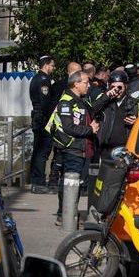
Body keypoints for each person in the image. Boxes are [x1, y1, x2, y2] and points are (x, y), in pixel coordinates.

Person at [46, 71, 100, 226]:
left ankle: (67, 213)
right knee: (70, 182)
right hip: (71, 148)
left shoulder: (80, 100)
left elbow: (94, 109)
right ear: (76, 84)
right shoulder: (66, 101)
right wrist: (90, 130)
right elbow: (69, 127)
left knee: (72, 182)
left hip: (79, 148)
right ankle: (63, 215)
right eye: (85, 82)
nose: (88, 85)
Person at [95, 70, 139, 163]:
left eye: (120, 87)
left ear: (126, 86)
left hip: (126, 150)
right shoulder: (103, 99)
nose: (116, 90)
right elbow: (92, 110)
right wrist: (106, 97)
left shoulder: (136, 103)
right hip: (105, 149)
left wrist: (136, 122)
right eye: (113, 87)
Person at [29, 55, 56, 194]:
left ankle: (36, 180)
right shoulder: (43, 80)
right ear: (46, 65)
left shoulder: (36, 79)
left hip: (38, 118)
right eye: (52, 65)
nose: (54, 68)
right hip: (43, 119)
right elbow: (45, 103)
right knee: (42, 151)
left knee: (38, 150)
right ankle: (38, 182)